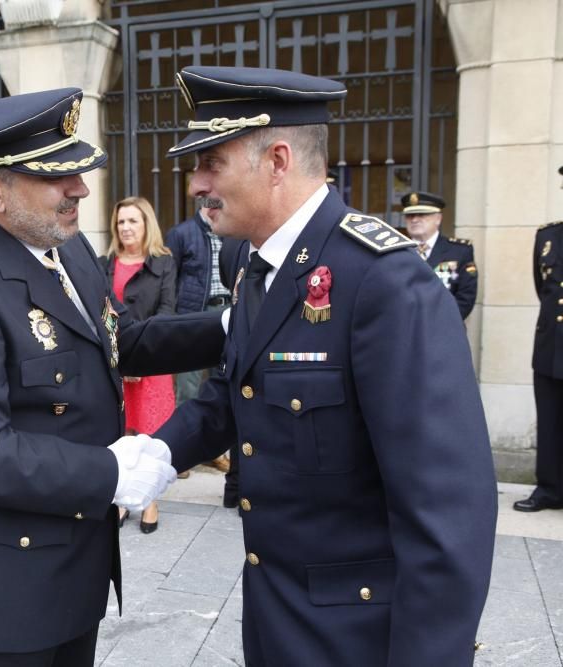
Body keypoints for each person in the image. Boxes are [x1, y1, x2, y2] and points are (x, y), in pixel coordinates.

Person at [152, 65, 498, 666]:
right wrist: (155, 456)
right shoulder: (253, 264)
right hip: (278, 617)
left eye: (211, 163)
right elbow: (240, 388)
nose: (196, 184)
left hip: (357, 639)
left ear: (278, 160)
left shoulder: (384, 281)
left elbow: (448, 514)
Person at [0, 87, 225, 666]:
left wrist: (229, 325)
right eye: (56, 178)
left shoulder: (63, 247)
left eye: (78, 170)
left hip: (77, 564)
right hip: (8, 591)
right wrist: (112, 471)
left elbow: (120, 342)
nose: (80, 190)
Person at [101, 196, 177, 533]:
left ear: (146, 224)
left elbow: (167, 312)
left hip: (153, 360)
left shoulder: (163, 262)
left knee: (150, 434)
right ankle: (121, 499)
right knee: (122, 433)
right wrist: (121, 356)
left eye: (133, 221)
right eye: (121, 222)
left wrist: (142, 356)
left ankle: (149, 500)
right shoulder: (106, 263)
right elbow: (101, 312)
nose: (126, 228)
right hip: (118, 362)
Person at [166, 206, 240, 507]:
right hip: (195, 314)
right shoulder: (182, 234)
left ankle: (215, 452)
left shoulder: (235, 229)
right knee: (189, 387)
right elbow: (170, 278)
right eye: (207, 201)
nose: (213, 205)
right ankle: (184, 454)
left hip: (228, 311)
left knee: (226, 383)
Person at [514, 164, 563, 512]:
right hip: (551, 345)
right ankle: (549, 488)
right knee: (550, 421)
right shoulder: (547, 237)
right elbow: (542, 288)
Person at [401, 190, 478, 320]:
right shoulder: (398, 251)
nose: (414, 219)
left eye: (422, 214)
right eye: (410, 215)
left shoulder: (459, 251)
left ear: (438, 218)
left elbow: (466, 297)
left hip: (444, 330)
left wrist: (441, 325)